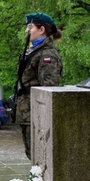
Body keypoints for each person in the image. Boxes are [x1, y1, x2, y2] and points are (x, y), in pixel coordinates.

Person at [15, 12, 63, 160]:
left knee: (39, 157)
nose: (26, 31)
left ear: (41, 30)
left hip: (36, 115)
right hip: (27, 113)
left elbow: (49, 89)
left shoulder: (47, 55)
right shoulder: (33, 51)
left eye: (30, 27)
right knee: (32, 155)